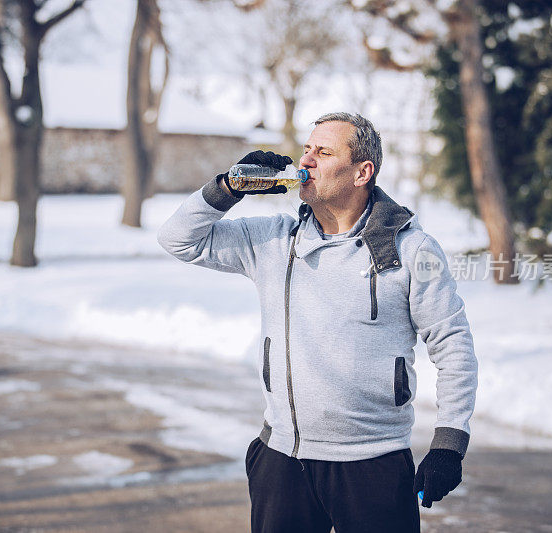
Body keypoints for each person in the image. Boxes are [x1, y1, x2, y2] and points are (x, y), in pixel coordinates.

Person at [157, 112, 478, 532]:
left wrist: (449, 447)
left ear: (362, 172)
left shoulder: (411, 249)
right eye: (306, 149)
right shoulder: (273, 241)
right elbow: (177, 239)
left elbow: (453, 347)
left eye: (323, 152)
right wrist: (227, 187)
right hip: (282, 461)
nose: (305, 160)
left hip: (373, 464)